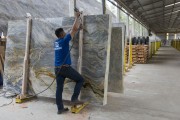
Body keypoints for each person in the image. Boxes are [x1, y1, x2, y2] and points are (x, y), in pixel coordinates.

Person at [54, 11, 84, 114]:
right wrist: (77, 17)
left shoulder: (57, 42)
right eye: (64, 32)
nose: (65, 33)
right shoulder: (64, 40)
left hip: (57, 69)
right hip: (65, 68)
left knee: (59, 89)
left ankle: (60, 109)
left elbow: (71, 31)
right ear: (61, 34)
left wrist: (76, 30)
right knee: (80, 79)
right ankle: (74, 98)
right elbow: (73, 29)